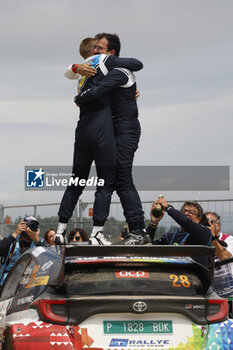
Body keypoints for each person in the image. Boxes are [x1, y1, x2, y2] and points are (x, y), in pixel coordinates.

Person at [56, 35, 144, 245]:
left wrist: (80, 98)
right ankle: (125, 230)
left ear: (111, 53)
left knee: (121, 178)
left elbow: (102, 88)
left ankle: (137, 230)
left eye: (100, 48)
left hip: (124, 130)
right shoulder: (100, 69)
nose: (95, 52)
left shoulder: (118, 70)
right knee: (111, 180)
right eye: (94, 48)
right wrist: (76, 68)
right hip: (109, 129)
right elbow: (71, 71)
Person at [147, 197, 212, 266]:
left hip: (195, 274)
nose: (186, 213)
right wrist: (153, 223)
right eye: (184, 211)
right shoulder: (169, 237)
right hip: (174, 275)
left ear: (199, 218)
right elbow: (147, 248)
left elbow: (185, 222)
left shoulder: (205, 232)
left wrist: (168, 208)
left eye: (192, 212)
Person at [0, 217, 40, 285]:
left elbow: (49, 255)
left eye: (34, 227)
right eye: (27, 226)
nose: (30, 229)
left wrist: (37, 240)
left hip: (29, 282)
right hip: (7, 283)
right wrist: (16, 233)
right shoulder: (12, 242)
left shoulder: (38, 243)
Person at [205, 211, 233, 297]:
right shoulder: (199, 241)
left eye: (209, 222)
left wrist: (213, 239)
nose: (206, 226)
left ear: (218, 226)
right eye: (203, 223)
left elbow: (225, 257)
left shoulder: (228, 239)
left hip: (228, 288)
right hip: (208, 289)